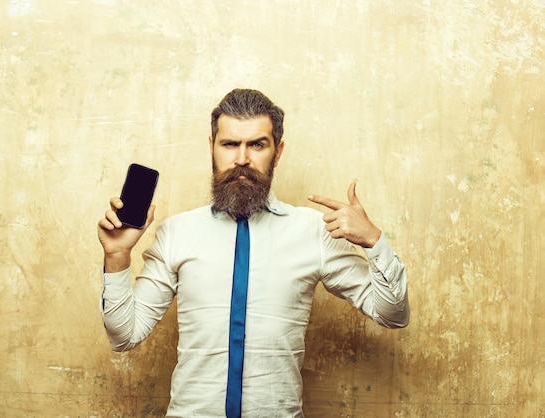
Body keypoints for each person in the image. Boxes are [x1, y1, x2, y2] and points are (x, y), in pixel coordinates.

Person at [97, 88, 409, 417]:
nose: (242, 159)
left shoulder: (314, 231)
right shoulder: (177, 233)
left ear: (278, 152)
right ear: (212, 147)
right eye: (230, 144)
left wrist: (375, 241)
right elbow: (124, 335)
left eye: (257, 144)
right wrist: (117, 258)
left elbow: (393, 314)